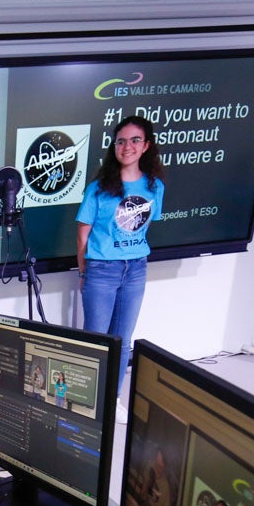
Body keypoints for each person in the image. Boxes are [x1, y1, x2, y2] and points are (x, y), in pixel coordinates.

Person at [75, 116, 167, 399]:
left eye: (135, 140)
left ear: (146, 146)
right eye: (121, 141)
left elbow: (145, 226)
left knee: (123, 341)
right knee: (96, 341)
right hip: (101, 269)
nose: (127, 146)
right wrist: (83, 273)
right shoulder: (98, 188)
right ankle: (90, 403)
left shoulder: (154, 188)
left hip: (137, 269)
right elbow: (81, 237)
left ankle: (111, 399)